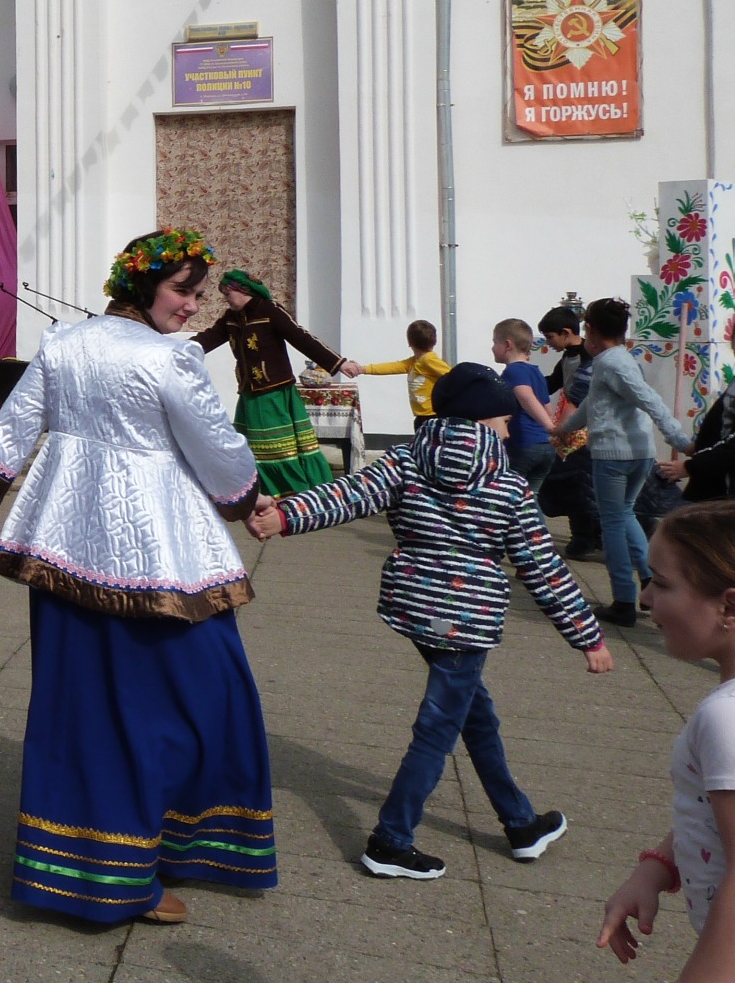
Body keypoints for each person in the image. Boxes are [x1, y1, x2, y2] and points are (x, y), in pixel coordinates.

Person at [0, 227, 275, 926]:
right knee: (198, 696)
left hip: (62, 548)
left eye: (197, 293)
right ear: (141, 285)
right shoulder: (169, 360)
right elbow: (217, 448)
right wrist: (250, 500)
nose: (192, 306)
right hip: (159, 553)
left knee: (84, 710)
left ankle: (98, 865)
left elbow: (12, 432)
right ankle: (138, 866)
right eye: (183, 291)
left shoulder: (64, 344)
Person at [248, 362, 611, 881]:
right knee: (438, 728)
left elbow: (347, 494)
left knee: (474, 713)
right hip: (466, 620)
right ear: (484, 420)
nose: (509, 428)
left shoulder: (405, 458)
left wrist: (285, 515)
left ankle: (521, 822)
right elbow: (544, 568)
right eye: (504, 419)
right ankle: (391, 840)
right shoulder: (506, 484)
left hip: (415, 607)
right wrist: (588, 638)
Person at [599, 500, 735, 974]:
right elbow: (709, 813)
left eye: (661, 583)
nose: (644, 599)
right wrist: (655, 867)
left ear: (729, 604)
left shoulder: (726, 717)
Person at [556, 297, 696, 627]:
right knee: (625, 514)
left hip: (614, 456)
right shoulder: (620, 360)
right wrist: (563, 430)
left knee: (613, 524)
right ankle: (648, 580)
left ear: (589, 329)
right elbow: (593, 403)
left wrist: (680, 440)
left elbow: (649, 400)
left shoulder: (611, 363)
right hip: (639, 452)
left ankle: (622, 601)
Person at [193, 268, 359, 495]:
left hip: (273, 391)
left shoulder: (269, 311)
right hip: (249, 392)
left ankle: (290, 491)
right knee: (253, 446)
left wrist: (339, 363)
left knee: (276, 448)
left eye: (227, 294)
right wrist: (176, 351)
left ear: (242, 291)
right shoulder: (231, 318)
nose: (225, 300)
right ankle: (258, 489)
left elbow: (303, 339)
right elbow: (208, 338)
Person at [539, 303, 602, 560]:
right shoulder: (568, 357)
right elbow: (552, 383)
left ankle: (585, 538)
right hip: (573, 425)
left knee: (580, 485)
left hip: (583, 429)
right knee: (577, 485)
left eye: (551, 337)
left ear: (566, 332)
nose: (549, 343)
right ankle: (587, 537)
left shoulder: (588, 358)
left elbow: (580, 395)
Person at [657, 317, 735, 503]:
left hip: (724, 485)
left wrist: (691, 466)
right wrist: (697, 447)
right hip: (713, 476)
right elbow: (722, 423)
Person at [492, 318, 558, 498]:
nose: (492, 348)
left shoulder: (513, 371)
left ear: (507, 345)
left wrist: (549, 426)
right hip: (545, 445)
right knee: (530, 497)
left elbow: (526, 397)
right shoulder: (535, 371)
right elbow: (546, 404)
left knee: (512, 496)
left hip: (523, 444)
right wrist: (550, 430)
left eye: (494, 342)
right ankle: (535, 526)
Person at [360, 320, 449, 425]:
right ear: (434, 341)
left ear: (410, 342)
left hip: (433, 416)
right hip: (422, 416)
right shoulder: (414, 361)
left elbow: (453, 375)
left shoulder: (429, 360)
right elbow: (392, 367)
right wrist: (363, 369)